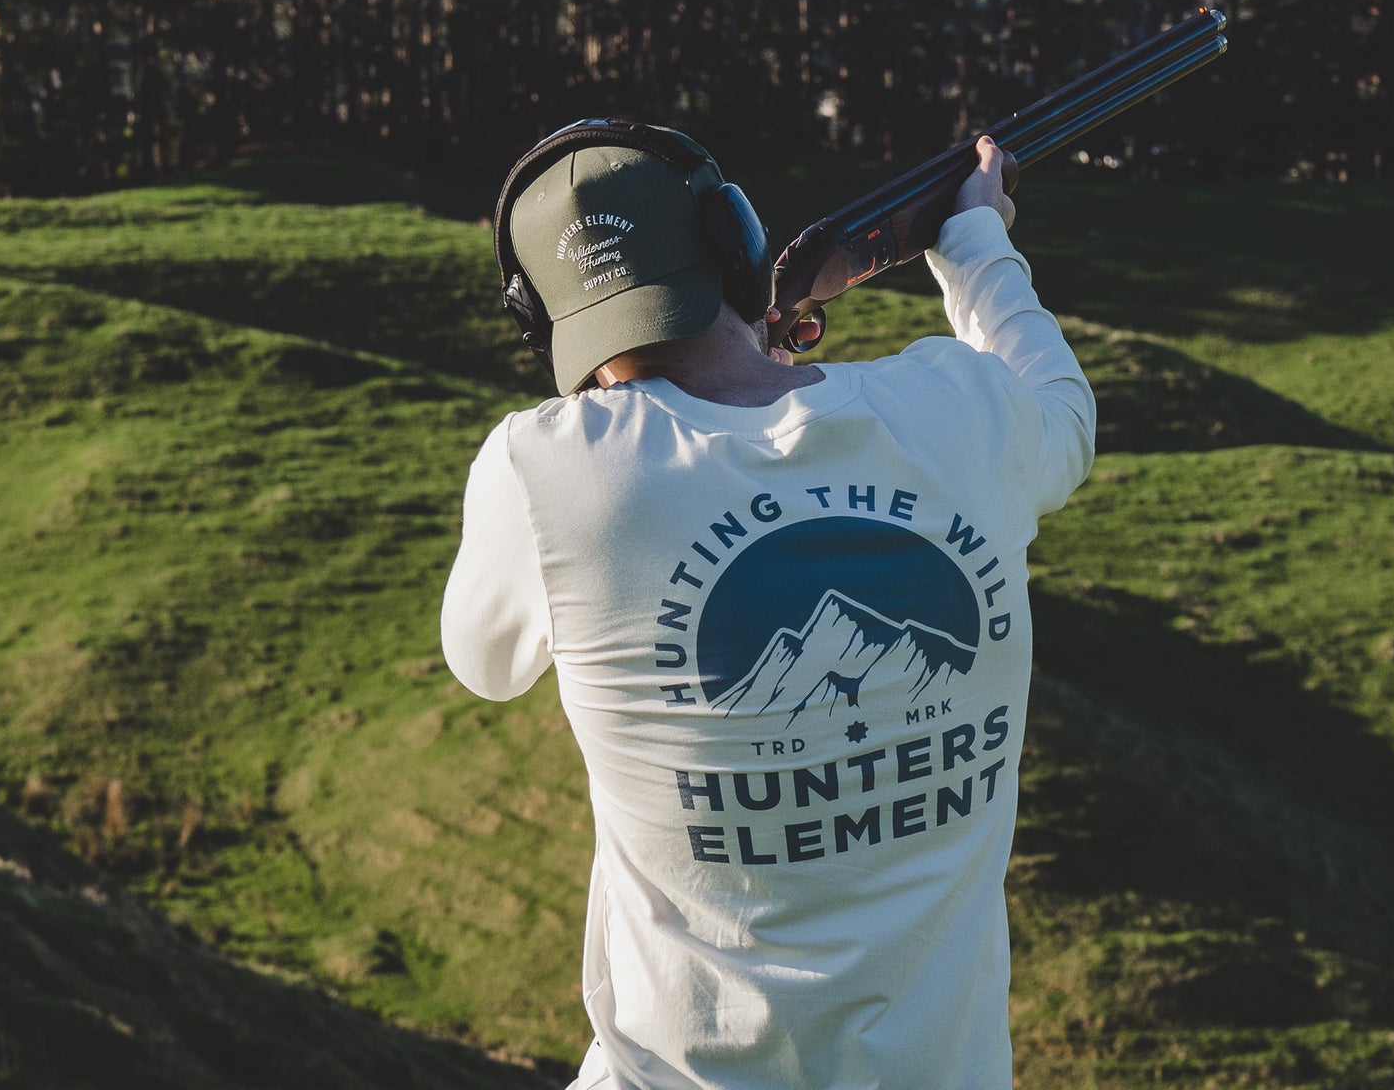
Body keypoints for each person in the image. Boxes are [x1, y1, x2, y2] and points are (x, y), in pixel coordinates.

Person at [441, 118, 1096, 1090]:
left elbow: (483, 666)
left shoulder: (546, 472)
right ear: (737, 244)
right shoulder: (959, 410)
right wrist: (973, 243)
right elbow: (1062, 411)